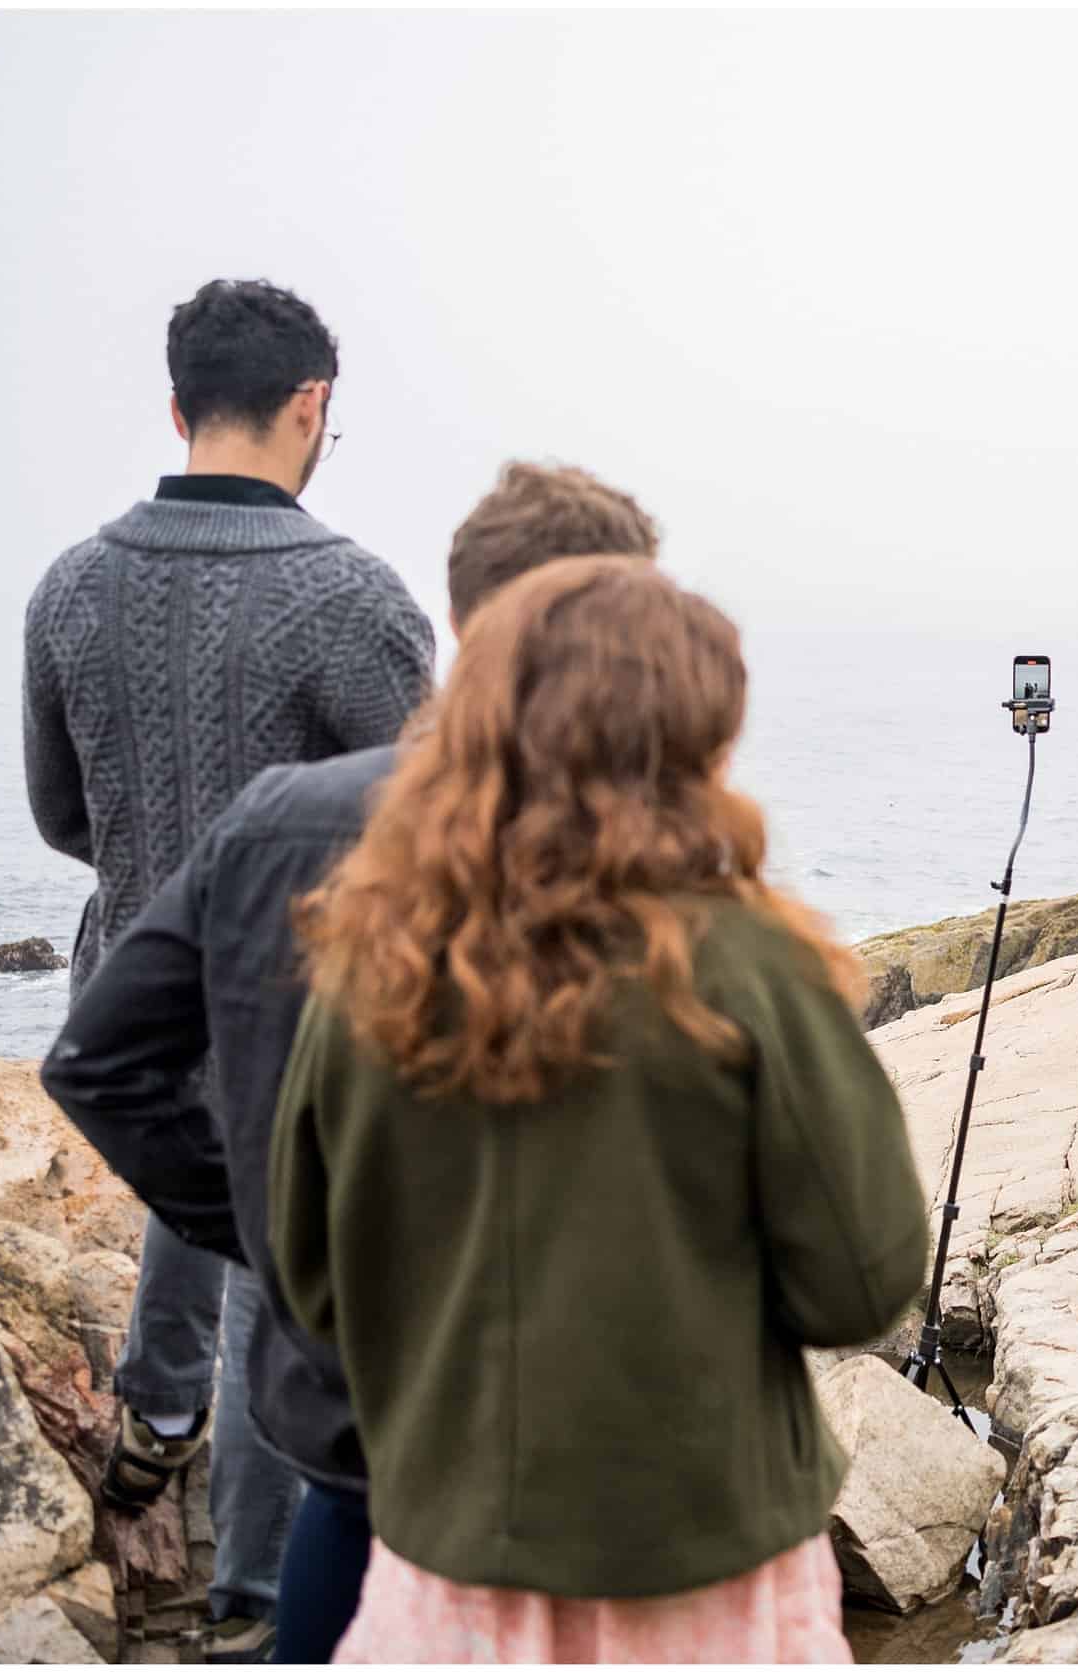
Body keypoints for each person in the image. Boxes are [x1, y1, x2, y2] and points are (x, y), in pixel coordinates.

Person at [40, 462, 663, 1662]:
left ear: (465, 613)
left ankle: (218, 1535)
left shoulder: (273, 810)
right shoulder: (648, 852)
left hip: (351, 1428)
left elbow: (98, 1055)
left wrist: (267, 1224)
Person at [269, 558, 927, 1661]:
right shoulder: (754, 965)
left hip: (448, 1559)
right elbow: (859, 1282)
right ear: (689, 740)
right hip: (705, 1562)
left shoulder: (367, 971)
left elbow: (314, 1279)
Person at [21, 277, 433, 1659]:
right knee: (282, 1265)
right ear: (311, 406)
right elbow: (430, 825)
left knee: (186, 1183)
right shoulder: (354, 596)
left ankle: (159, 1416)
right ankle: (256, 1596)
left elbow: (58, 816)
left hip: (130, 991)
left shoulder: (69, 586)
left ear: (180, 403)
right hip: (305, 1012)